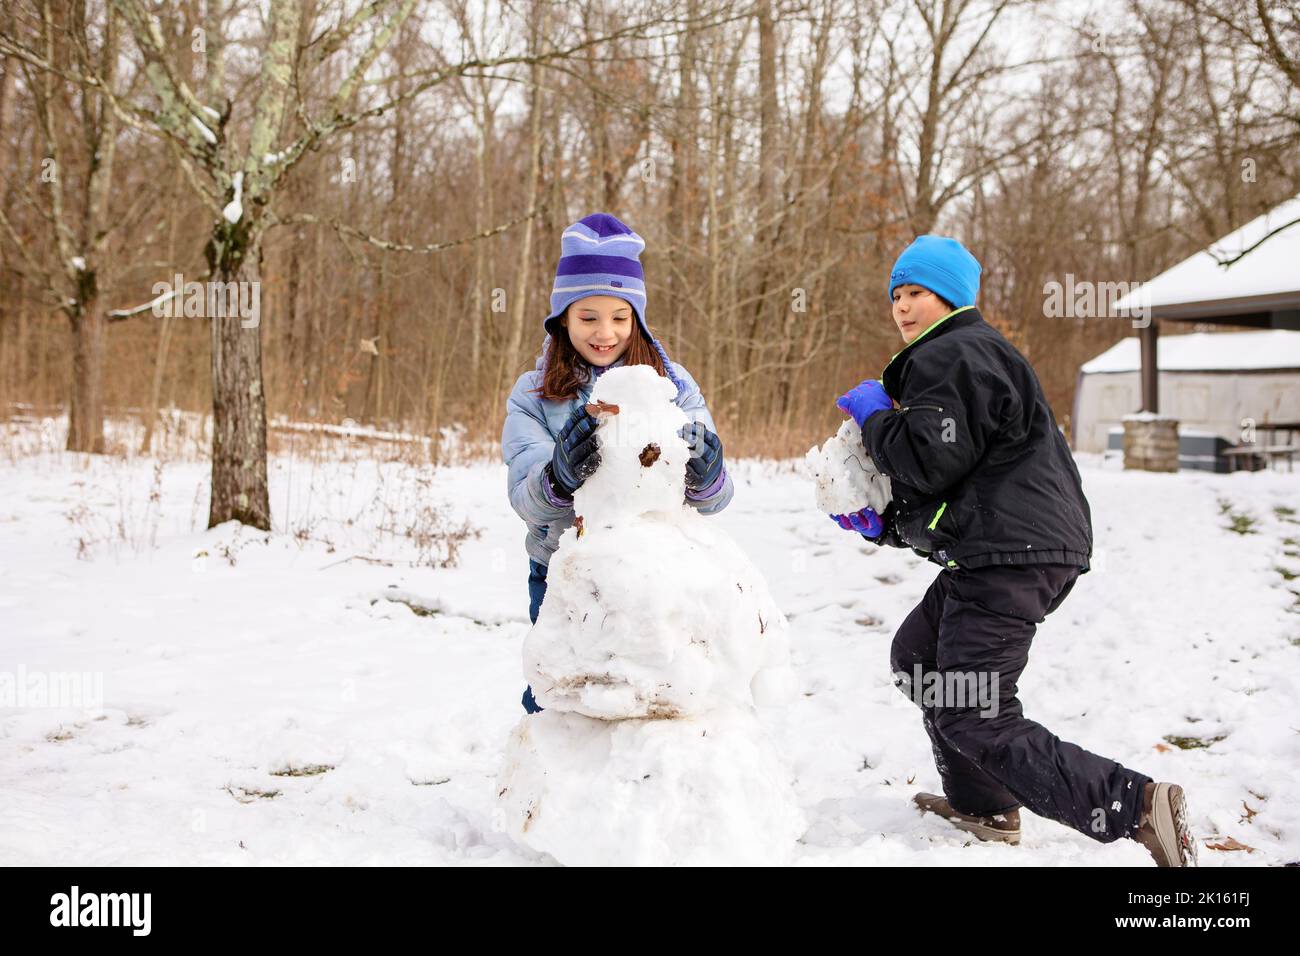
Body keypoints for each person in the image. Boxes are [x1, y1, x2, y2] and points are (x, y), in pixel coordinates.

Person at [830, 234, 1196, 866]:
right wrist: (883, 524)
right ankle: (984, 804)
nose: (902, 307)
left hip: (1011, 555)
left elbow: (925, 457)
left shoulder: (954, 352)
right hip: (1007, 550)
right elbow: (957, 479)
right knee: (919, 656)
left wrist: (874, 417)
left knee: (976, 712)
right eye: (896, 295)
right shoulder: (966, 355)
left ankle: (1136, 805)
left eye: (917, 292)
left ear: (950, 298)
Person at [501, 212, 732, 714]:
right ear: (563, 318)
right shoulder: (533, 396)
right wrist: (558, 475)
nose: (605, 333)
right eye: (588, 317)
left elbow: (715, 502)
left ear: (638, 320)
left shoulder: (673, 386)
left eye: (620, 318)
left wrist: (707, 472)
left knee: (648, 696)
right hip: (566, 571)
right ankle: (545, 786)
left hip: (655, 572)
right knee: (561, 692)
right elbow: (527, 501)